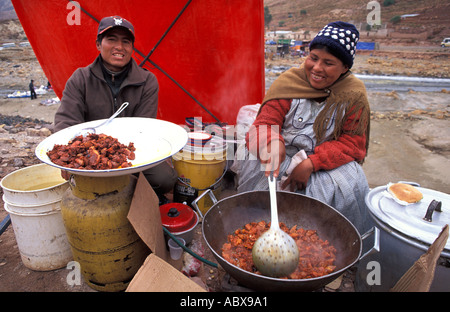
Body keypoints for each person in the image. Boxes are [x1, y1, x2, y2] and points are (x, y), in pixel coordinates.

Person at [237, 21, 371, 233]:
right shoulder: (290, 82)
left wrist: (311, 163)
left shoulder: (353, 95)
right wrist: (272, 142)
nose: (317, 68)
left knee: (352, 180)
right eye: (313, 58)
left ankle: (323, 238)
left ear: (345, 67)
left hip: (323, 165)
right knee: (255, 161)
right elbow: (264, 123)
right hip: (281, 158)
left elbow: (353, 143)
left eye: (329, 63)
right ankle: (256, 229)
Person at [54, 16, 177, 203]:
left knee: (165, 179)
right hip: (89, 152)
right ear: (98, 44)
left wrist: (119, 159)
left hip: (130, 150)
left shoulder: (147, 81)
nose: (119, 47)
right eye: (111, 39)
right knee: (76, 178)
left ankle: (134, 197)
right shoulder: (81, 78)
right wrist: (72, 154)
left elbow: (144, 127)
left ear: (132, 47)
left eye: (126, 41)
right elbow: (66, 121)